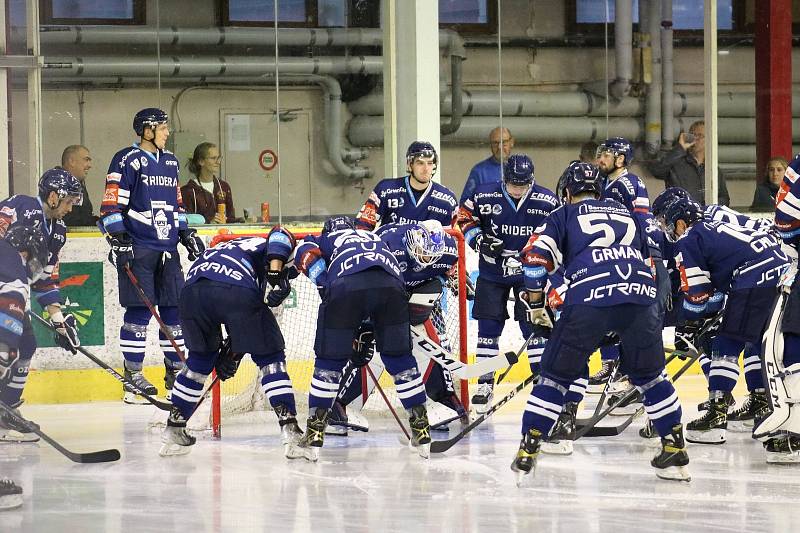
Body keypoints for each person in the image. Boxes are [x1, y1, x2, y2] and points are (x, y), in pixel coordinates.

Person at [514, 161, 689, 484]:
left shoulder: (561, 215)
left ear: (567, 191)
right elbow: (651, 261)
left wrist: (536, 304)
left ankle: (530, 447)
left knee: (554, 377)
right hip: (640, 297)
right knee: (651, 377)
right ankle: (674, 445)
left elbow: (535, 261)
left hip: (590, 298)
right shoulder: (630, 216)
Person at [286, 216, 431, 461]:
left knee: (329, 364)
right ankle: (421, 430)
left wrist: (326, 283)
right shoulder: (376, 236)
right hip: (392, 287)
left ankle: (314, 435)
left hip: (345, 285)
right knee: (400, 359)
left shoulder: (326, 238)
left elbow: (304, 251)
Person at [160, 227, 302, 456]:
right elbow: (280, 233)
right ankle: (291, 430)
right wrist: (278, 276)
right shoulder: (266, 245)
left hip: (192, 292)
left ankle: (174, 427)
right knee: (271, 356)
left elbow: (240, 326)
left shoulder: (230, 247)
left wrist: (232, 354)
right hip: (233, 287)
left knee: (199, 360)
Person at [661, 197, 790, 447]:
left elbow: (698, 294)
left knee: (725, 342)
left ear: (680, 223)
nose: (667, 229)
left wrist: (690, 320)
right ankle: (763, 401)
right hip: (782, 270)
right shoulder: (713, 227)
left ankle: (717, 413)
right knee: (757, 341)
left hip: (755, 276)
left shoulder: (689, 238)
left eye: (667, 223)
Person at [100, 108, 205, 404]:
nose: (167, 132)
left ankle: (175, 376)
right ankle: (132, 378)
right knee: (139, 313)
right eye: (162, 127)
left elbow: (178, 206)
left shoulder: (170, 162)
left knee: (174, 312)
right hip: (139, 247)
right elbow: (110, 206)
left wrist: (186, 234)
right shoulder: (126, 159)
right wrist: (119, 240)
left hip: (167, 248)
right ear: (147, 131)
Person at [327, 220, 467, 433]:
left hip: (411, 301)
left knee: (429, 344)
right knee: (370, 351)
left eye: (431, 256)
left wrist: (457, 278)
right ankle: (339, 408)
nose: (426, 260)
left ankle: (441, 399)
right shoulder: (389, 243)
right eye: (422, 253)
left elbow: (448, 270)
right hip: (381, 297)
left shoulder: (447, 249)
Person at [456, 154, 559, 413]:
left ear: (531, 181)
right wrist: (479, 240)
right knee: (488, 329)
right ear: (504, 179)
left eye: (522, 185)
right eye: (513, 184)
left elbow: (558, 234)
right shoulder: (482, 194)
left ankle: (541, 379)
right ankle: (485, 383)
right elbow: (464, 218)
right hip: (492, 272)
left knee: (534, 327)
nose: (517, 189)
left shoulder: (547, 200)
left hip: (530, 274)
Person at [0, 171, 83, 441]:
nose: (70, 209)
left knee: (25, 346)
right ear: (53, 196)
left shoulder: (58, 232)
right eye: (69, 201)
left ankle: (6, 414)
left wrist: (59, 320)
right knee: (5, 347)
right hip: (7, 286)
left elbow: (44, 279)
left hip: (14, 289)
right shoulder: (22, 205)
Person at [356, 141, 457, 231]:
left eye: (430, 163)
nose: (426, 168)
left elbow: (453, 241)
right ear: (410, 164)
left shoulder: (447, 200)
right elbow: (362, 227)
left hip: (429, 252)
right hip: (390, 251)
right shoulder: (386, 190)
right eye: (420, 163)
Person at [648, 120, 730, 206]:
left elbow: (724, 198)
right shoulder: (676, 164)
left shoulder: (713, 168)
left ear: (709, 140)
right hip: (681, 216)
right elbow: (656, 170)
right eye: (693, 135)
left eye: (700, 135)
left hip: (707, 217)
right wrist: (680, 148)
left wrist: (708, 208)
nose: (696, 139)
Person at [180, 142, 238, 224]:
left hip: (223, 234)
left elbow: (231, 218)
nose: (218, 162)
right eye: (213, 158)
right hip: (200, 235)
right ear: (201, 161)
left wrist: (243, 220)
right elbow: (186, 221)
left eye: (219, 158)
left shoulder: (224, 187)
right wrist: (208, 223)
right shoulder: (188, 191)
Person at [460, 127, 514, 204]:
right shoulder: (479, 171)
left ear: (511, 142)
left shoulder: (521, 169)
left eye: (504, 142)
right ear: (490, 145)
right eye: (495, 143)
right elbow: (465, 204)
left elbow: (531, 199)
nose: (499, 147)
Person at [59, 145, 97, 227]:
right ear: (71, 161)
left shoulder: (77, 184)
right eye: (86, 160)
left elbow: (82, 216)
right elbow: (70, 220)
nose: (90, 165)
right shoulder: (59, 184)